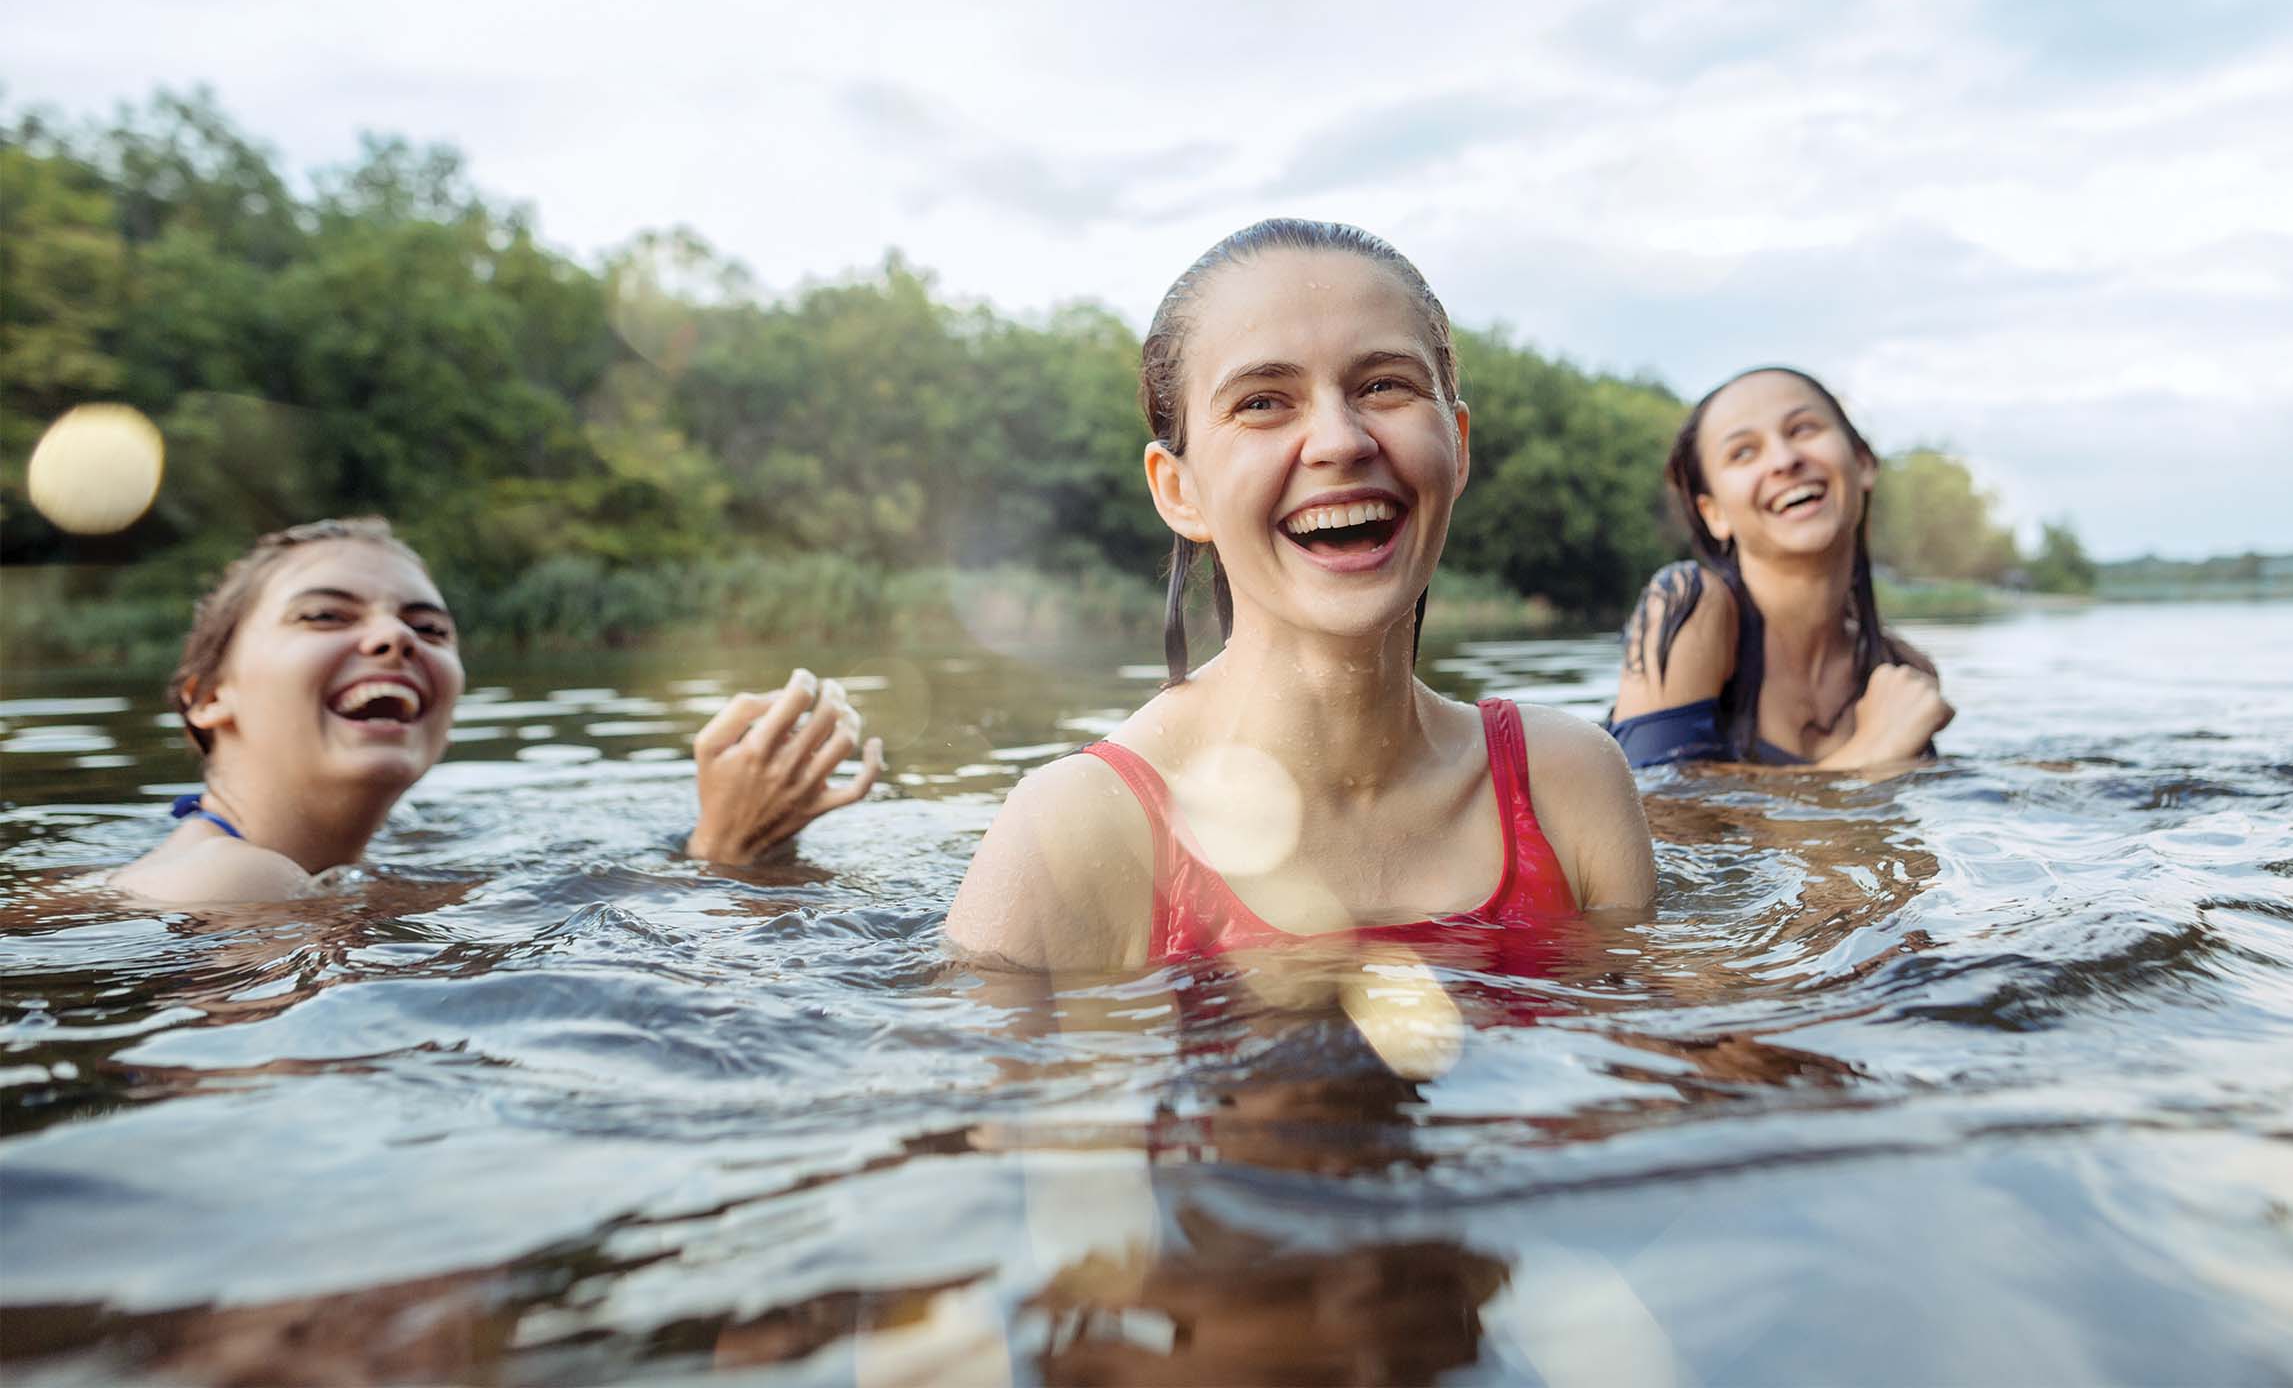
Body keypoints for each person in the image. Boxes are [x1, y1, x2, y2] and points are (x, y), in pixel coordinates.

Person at [945, 219, 1656, 975]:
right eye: (1262, 401)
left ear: (1459, 445)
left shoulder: (1567, 785)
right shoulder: (1077, 833)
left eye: (1384, 385)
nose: (1340, 441)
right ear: (1178, 490)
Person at [107, 517, 882, 904]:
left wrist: (745, 845)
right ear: (208, 697)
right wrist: (723, 858)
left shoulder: (342, 869)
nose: (394, 639)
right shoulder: (233, 883)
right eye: (325, 616)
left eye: (429, 628)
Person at [1608, 367, 1953, 770]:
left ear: (1862, 462)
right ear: (1714, 513)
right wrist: (1870, 752)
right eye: (1743, 452)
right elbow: (1652, 819)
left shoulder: (1903, 675)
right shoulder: (1688, 607)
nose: (1785, 460)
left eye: (1804, 429)